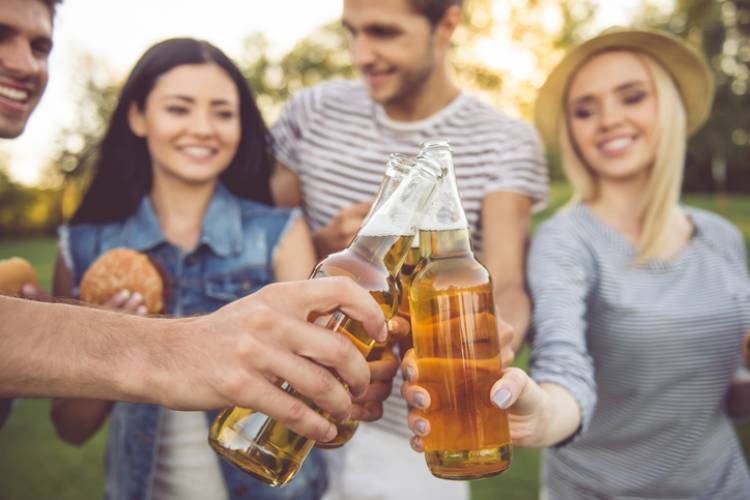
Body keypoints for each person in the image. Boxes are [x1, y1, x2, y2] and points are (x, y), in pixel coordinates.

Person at [0, 0, 387, 448]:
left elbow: (315, 395)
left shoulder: (279, 234)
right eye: (179, 109)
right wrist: (110, 334)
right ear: (138, 116)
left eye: (223, 113)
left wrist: (348, 384)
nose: (203, 128)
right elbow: (71, 428)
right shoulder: (84, 246)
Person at [402, 27, 750, 499]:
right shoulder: (564, 241)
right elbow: (564, 367)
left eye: (631, 97)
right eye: (585, 110)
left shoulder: (722, 237)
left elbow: (727, 392)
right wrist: (540, 413)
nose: (608, 120)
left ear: (669, 107)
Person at [269, 0, 548, 497]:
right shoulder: (308, 114)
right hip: (292, 400)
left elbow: (504, 281)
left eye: (383, 32)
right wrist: (326, 246)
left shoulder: (505, 140)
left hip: (416, 434)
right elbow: (264, 236)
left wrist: (494, 336)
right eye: (351, 33)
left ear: (447, 24)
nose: (361, 54)